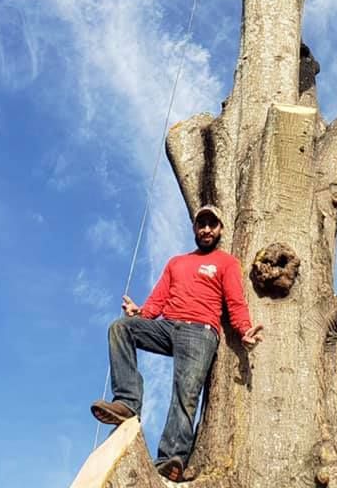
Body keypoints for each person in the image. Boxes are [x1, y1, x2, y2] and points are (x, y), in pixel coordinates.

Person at [90, 205, 264, 483]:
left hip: (201, 332)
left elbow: (235, 301)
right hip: (168, 326)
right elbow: (158, 300)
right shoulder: (176, 262)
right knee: (120, 327)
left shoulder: (226, 262)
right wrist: (140, 314)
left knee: (186, 394)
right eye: (201, 224)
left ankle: (170, 458)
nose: (206, 229)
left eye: (212, 224)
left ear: (220, 229)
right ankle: (127, 401)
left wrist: (244, 330)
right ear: (194, 228)